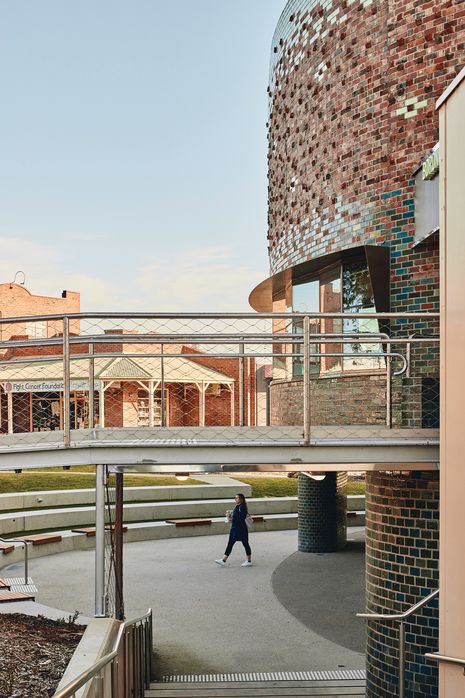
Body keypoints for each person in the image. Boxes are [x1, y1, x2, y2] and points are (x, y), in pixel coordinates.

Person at [215, 493, 252, 567]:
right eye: (235, 498)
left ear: (241, 499)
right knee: (232, 543)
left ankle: (249, 561)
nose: (235, 499)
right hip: (236, 528)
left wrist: (232, 519)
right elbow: (237, 516)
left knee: (245, 544)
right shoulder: (238, 506)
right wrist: (230, 516)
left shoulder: (242, 507)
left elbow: (241, 518)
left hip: (240, 529)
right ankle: (223, 560)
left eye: (237, 498)